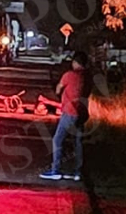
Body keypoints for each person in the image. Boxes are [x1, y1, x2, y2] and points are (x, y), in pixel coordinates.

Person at [40, 51, 93, 181]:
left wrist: (59, 89)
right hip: (82, 113)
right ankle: (77, 173)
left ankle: (55, 170)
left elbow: (58, 89)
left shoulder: (69, 75)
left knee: (57, 140)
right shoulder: (88, 77)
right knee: (77, 143)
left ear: (75, 62)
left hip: (70, 112)